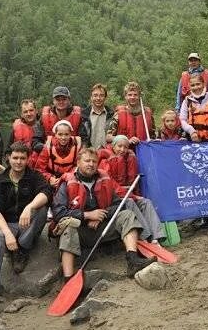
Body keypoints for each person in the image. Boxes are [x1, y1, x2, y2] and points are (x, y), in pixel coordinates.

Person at [51, 148, 156, 280]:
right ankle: (68, 278)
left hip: (102, 228)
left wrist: (101, 216)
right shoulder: (67, 182)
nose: (91, 164)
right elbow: (58, 212)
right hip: (79, 232)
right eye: (87, 161)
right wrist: (88, 215)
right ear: (78, 162)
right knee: (68, 225)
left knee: (127, 214)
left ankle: (133, 260)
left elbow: (119, 204)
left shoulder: (105, 179)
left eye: (94, 161)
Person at [0, 142, 51, 311]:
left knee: (42, 209)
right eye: (15, 158)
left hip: (27, 223)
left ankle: (22, 250)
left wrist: (29, 207)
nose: (19, 162)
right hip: (8, 223)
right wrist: (7, 234)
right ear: (8, 158)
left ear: (27, 160)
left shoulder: (34, 176)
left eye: (22, 158)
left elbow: (46, 192)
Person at [98, 135, 165, 243]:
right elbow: (110, 184)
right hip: (113, 197)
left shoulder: (130, 158)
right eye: (119, 146)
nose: (122, 150)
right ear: (113, 146)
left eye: (125, 147)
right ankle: (145, 236)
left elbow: (133, 182)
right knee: (129, 202)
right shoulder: (105, 161)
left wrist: (136, 195)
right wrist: (132, 196)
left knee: (145, 202)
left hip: (128, 193)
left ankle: (157, 236)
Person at [106, 81, 155, 147]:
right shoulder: (118, 114)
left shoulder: (148, 114)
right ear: (125, 96)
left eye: (135, 95)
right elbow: (108, 137)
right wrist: (126, 140)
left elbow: (153, 137)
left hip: (143, 151)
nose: (132, 97)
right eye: (129, 95)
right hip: (124, 152)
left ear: (139, 96)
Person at [35, 120, 82, 187]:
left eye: (66, 134)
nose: (63, 138)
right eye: (60, 134)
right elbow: (39, 169)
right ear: (55, 134)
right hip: (52, 180)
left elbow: (78, 167)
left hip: (69, 179)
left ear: (70, 134)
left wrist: (66, 177)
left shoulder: (77, 147)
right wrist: (50, 178)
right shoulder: (47, 147)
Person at [80, 83, 113, 149]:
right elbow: (82, 137)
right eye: (95, 95)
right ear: (91, 97)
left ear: (105, 97)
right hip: (90, 153)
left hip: (108, 153)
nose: (98, 98)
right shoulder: (83, 115)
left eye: (101, 95)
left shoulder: (112, 114)